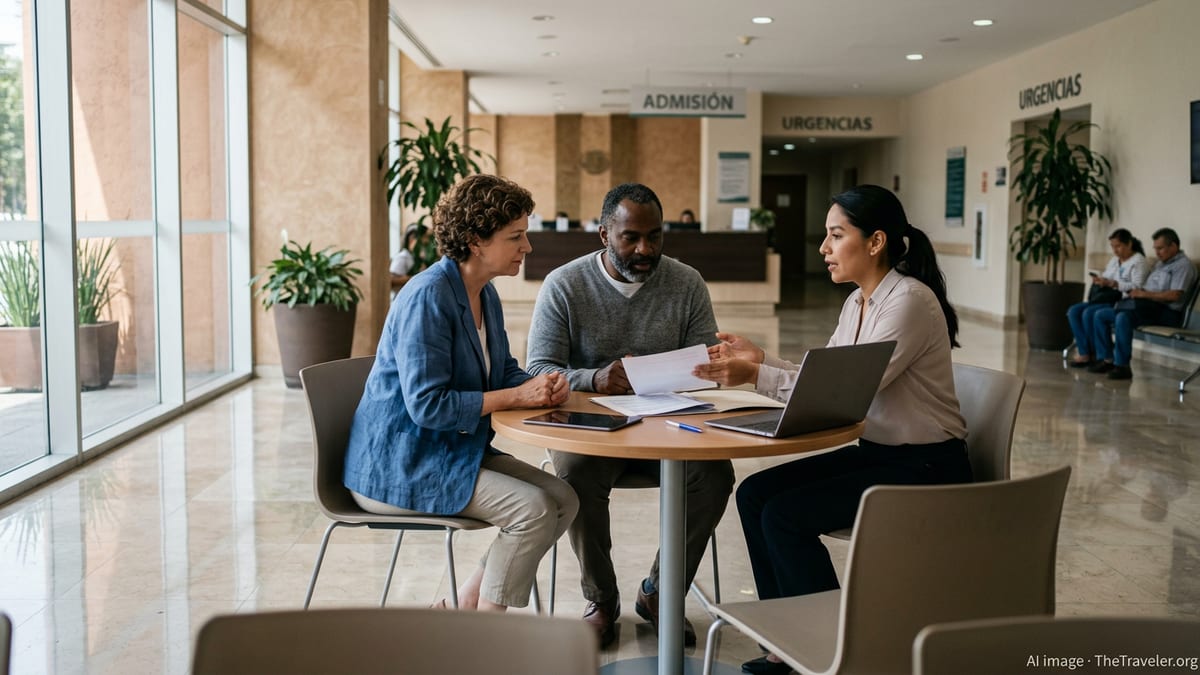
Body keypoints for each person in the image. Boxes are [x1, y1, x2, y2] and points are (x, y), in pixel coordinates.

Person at [692, 184, 971, 675]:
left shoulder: (907, 302)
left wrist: (756, 375)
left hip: (926, 467)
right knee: (755, 494)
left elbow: (845, 395)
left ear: (876, 241)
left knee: (784, 515)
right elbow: (825, 380)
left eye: (835, 234)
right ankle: (786, 639)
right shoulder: (858, 303)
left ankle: (834, 648)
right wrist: (762, 360)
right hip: (881, 454)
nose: (823, 248)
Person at [343, 174, 579, 612]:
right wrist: (517, 397)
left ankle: (463, 603)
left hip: (450, 452)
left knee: (563, 499)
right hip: (402, 464)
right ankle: (480, 640)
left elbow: (502, 370)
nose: (527, 248)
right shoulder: (427, 297)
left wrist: (536, 385)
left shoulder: (483, 294)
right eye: (516, 237)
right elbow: (428, 406)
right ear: (475, 240)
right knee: (533, 511)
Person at [526, 182, 733, 648]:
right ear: (604, 234)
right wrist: (595, 379)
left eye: (656, 236)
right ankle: (601, 599)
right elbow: (539, 369)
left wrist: (707, 367)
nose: (646, 249)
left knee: (715, 475)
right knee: (574, 473)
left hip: (669, 428)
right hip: (593, 435)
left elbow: (706, 360)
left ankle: (660, 594)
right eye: (631, 238)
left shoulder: (686, 282)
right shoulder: (565, 284)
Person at [1087, 227, 1197, 380]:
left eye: (1161, 248)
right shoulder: (1160, 264)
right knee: (1100, 315)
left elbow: (1174, 295)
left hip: (1167, 312)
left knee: (1123, 318)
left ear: (1173, 246)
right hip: (1147, 306)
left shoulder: (1183, 266)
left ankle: (1122, 366)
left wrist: (1144, 294)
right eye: (1155, 249)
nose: (1157, 253)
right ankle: (1106, 359)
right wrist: (1138, 294)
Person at [1066, 228, 1149, 368]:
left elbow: (1137, 287)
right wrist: (1100, 280)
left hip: (1121, 302)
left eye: (1118, 246)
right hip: (1105, 298)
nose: (1115, 250)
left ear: (1129, 244)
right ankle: (1084, 352)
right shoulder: (1115, 260)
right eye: (1113, 246)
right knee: (1073, 311)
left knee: (1089, 313)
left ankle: (1102, 355)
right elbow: (1108, 276)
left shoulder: (1138, 261)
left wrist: (1114, 284)